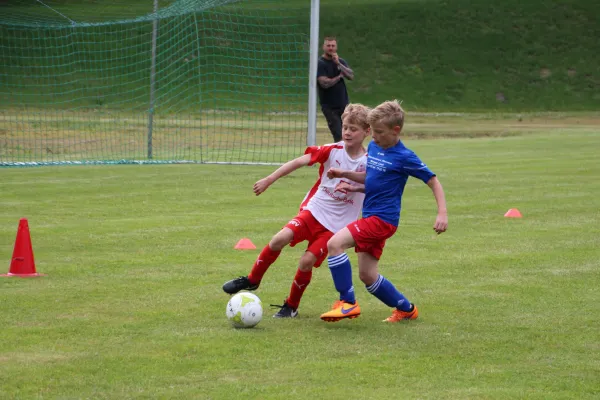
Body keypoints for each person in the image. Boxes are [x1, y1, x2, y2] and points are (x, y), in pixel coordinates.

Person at [222, 104, 371, 318]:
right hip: (314, 211)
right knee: (277, 240)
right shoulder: (332, 150)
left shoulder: (369, 162)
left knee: (306, 262)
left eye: (353, 129)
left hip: (335, 227)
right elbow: (298, 162)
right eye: (345, 127)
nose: (347, 132)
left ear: (367, 131)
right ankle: (252, 280)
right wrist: (269, 179)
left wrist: (354, 187)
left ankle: (291, 306)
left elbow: (376, 185)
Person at [319, 100, 448, 323]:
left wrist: (442, 213)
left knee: (334, 244)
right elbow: (372, 179)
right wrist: (348, 177)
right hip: (370, 217)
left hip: (382, 220)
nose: (374, 137)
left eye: (379, 132)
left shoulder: (405, 157)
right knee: (367, 276)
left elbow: (433, 181)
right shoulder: (376, 147)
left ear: (395, 130)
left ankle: (347, 303)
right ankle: (407, 309)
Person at [317, 36, 354, 143]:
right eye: (328, 46)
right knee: (339, 136)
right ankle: (339, 158)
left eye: (333, 46)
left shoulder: (340, 61)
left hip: (344, 105)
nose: (331, 48)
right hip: (330, 108)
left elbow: (351, 75)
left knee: (349, 135)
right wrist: (339, 77)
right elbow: (324, 83)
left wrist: (338, 63)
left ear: (336, 47)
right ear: (323, 47)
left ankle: (348, 158)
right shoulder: (320, 63)